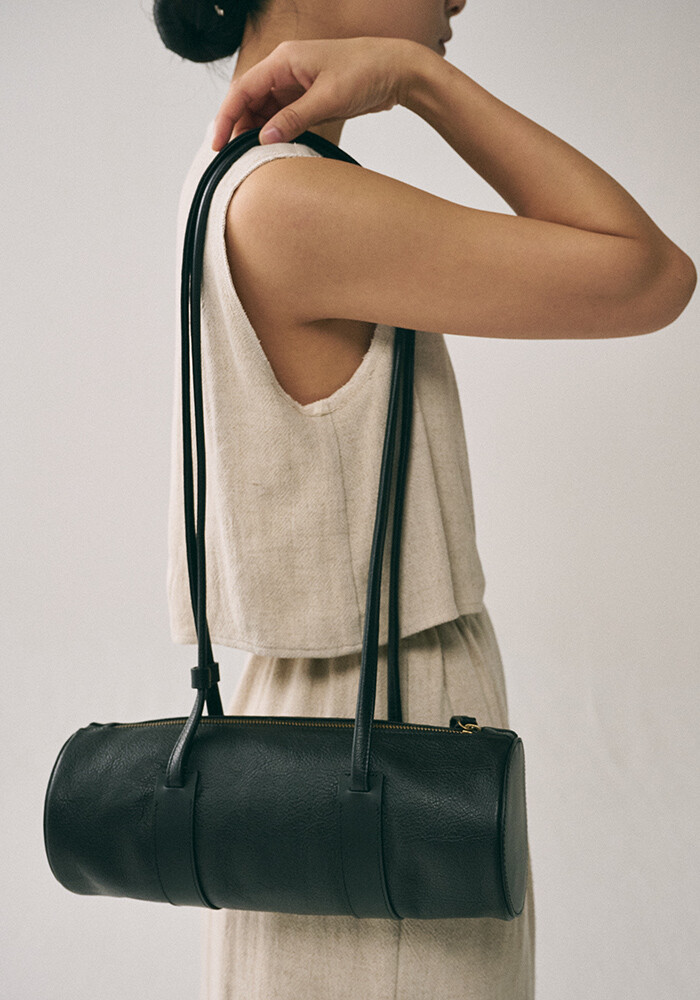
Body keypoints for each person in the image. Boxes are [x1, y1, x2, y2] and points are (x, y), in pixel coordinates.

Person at [153, 2, 696, 999]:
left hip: (305, 738)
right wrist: (421, 79)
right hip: (385, 741)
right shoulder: (291, 200)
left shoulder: (239, 177)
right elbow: (651, 273)